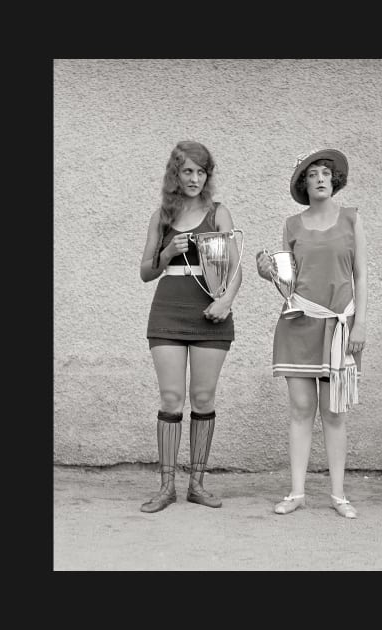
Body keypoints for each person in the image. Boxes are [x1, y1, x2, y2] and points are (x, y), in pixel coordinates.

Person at [256, 148, 367, 519]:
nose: (319, 178)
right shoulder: (291, 225)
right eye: (311, 175)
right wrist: (268, 273)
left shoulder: (352, 219)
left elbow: (361, 275)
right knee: (301, 409)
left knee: (334, 412)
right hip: (299, 326)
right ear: (304, 185)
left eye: (324, 173)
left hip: (340, 326)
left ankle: (338, 495)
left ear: (334, 180)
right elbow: (289, 286)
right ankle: (297, 492)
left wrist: (361, 322)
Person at [139, 140, 242, 513]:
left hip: (210, 314)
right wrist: (167, 253)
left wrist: (225, 301)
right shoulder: (161, 216)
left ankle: (196, 484)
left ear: (207, 175)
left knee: (202, 399)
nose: (195, 178)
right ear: (175, 174)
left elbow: (235, 268)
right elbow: (145, 273)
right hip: (167, 312)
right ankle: (166, 486)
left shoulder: (219, 213)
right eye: (187, 171)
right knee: (170, 399)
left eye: (201, 171)